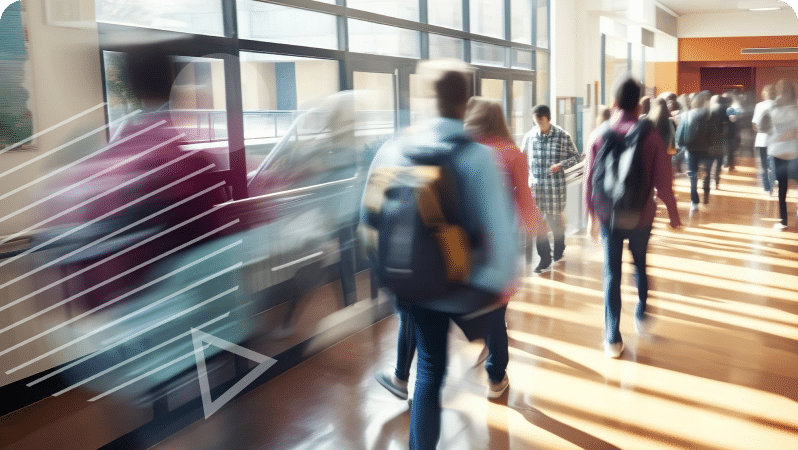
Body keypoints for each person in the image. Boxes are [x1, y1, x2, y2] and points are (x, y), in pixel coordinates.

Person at [362, 59, 518, 450]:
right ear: (465, 102)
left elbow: (367, 220)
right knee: (441, 362)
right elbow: (499, 232)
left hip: (412, 281)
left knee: (429, 370)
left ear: (424, 98)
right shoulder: (477, 156)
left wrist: (388, 275)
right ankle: (496, 373)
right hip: (463, 283)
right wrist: (497, 288)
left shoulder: (394, 148)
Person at [585, 75, 682, 359]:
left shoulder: (599, 134)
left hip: (609, 216)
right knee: (640, 263)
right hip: (641, 216)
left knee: (611, 273)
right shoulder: (650, 136)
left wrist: (591, 216)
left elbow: (591, 179)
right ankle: (641, 314)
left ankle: (612, 337)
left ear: (614, 103)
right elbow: (664, 182)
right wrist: (674, 215)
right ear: (640, 106)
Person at [520, 104, 581, 273]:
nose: (538, 125)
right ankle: (544, 258)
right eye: (535, 121)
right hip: (536, 189)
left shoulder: (563, 136)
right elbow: (522, 160)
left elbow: (576, 158)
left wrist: (561, 165)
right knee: (538, 226)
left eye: (540, 121)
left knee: (556, 226)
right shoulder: (530, 137)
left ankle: (559, 248)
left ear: (548, 119)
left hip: (555, 190)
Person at [763, 79, 798, 230]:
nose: (784, 93)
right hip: (779, 153)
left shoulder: (796, 107)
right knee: (782, 188)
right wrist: (782, 137)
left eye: (786, 89)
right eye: (781, 90)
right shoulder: (772, 108)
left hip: (795, 153)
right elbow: (766, 131)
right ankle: (783, 220)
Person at [675, 90, 712, 212]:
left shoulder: (686, 114)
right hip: (706, 149)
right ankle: (706, 191)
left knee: (693, 176)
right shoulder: (709, 114)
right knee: (707, 172)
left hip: (690, 149)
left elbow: (678, 126)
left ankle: (694, 202)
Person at [752, 85, 777, 194]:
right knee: (773, 163)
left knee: (763, 165)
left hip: (761, 140)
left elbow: (755, 126)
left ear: (764, 94)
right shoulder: (778, 105)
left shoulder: (759, 106)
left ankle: (766, 186)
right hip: (775, 140)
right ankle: (772, 183)